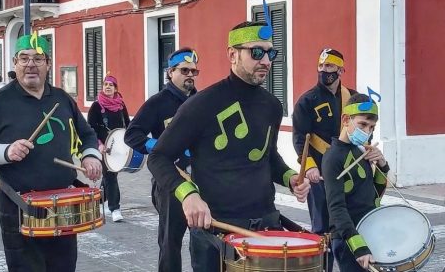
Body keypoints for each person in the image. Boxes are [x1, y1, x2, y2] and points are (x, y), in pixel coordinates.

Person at [148, 21, 310, 271]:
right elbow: (158, 157)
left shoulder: (272, 106)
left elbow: (268, 156)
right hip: (217, 229)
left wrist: (290, 177)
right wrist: (188, 194)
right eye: (256, 52)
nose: (266, 60)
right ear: (232, 54)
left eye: (270, 53)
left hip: (265, 225)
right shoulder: (201, 104)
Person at [0, 32, 102, 272]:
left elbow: (87, 133)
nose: (31, 64)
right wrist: (6, 151)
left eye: (38, 59)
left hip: (63, 205)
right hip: (19, 206)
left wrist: (90, 155)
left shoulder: (61, 98)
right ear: (15, 63)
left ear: (48, 64)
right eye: (24, 58)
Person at [125, 47, 199, 272]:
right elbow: (132, 135)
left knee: (203, 240)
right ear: (170, 72)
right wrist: (159, 147)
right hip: (169, 181)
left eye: (194, 71)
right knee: (170, 242)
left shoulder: (201, 101)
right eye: (184, 70)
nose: (190, 75)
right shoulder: (157, 103)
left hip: (199, 180)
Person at [292, 48, 356, 272]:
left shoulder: (353, 98)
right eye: (320, 66)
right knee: (322, 229)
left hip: (347, 170)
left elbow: (361, 130)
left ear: (340, 69)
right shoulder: (306, 101)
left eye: (329, 66)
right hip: (319, 175)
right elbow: (300, 139)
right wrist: (308, 167)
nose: (323, 71)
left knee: (349, 223)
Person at [322, 93, 389, 271]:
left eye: (372, 127)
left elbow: (376, 193)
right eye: (363, 125)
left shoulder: (360, 151)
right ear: (345, 120)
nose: (367, 132)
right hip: (347, 237)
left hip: (368, 229)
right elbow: (336, 207)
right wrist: (358, 246)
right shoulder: (333, 158)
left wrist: (382, 165)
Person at [87, 74, 130, 222]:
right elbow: (90, 128)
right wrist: (99, 144)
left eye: (111, 85)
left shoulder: (120, 105)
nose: (107, 87)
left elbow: (128, 125)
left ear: (115, 88)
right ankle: (115, 208)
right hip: (103, 148)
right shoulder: (96, 106)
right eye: (105, 84)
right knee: (110, 176)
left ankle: (98, 202)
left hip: (118, 147)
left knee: (110, 176)